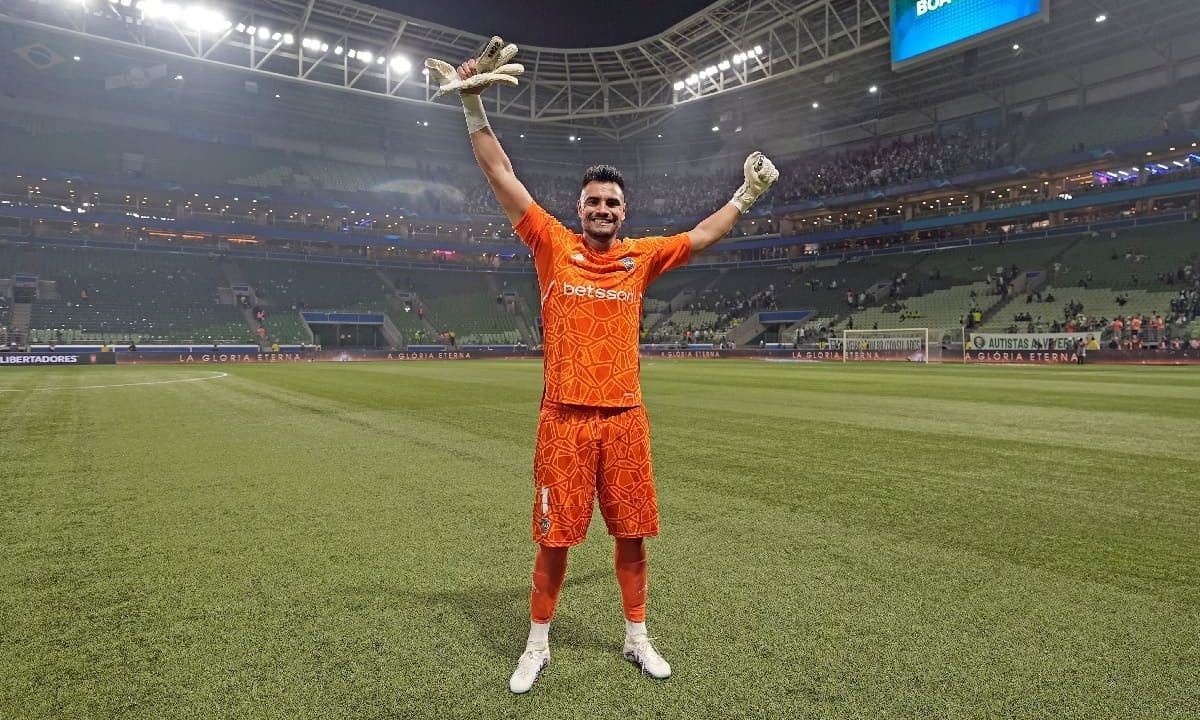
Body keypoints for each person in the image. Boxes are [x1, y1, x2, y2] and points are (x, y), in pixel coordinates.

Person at [434, 39, 778, 695]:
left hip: (624, 419)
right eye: (594, 201)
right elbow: (500, 174)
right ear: (580, 208)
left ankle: (636, 637)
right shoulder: (550, 242)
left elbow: (703, 235)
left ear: (624, 213)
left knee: (633, 536)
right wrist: (473, 108)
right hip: (563, 420)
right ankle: (537, 645)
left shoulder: (640, 257)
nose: (602, 210)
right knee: (554, 540)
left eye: (612, 204)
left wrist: (748, 193)